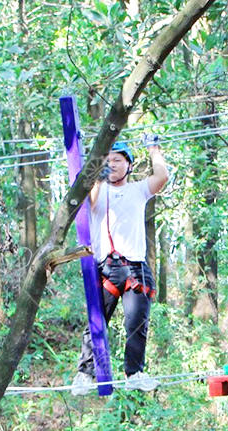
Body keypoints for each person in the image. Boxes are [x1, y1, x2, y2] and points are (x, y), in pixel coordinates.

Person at [72, 139, 168, 394]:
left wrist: (154, 149)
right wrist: (98, 172)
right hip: (106, 267)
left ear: (129, 165)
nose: (112, 164)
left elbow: (161, 177)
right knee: (96, 320)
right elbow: (91, 200)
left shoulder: (138, 190)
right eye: (108, 160)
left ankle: (134, 372)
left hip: (135, 267)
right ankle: (85, 374)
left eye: (117, 160)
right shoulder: (98, 190)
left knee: (137, 323)